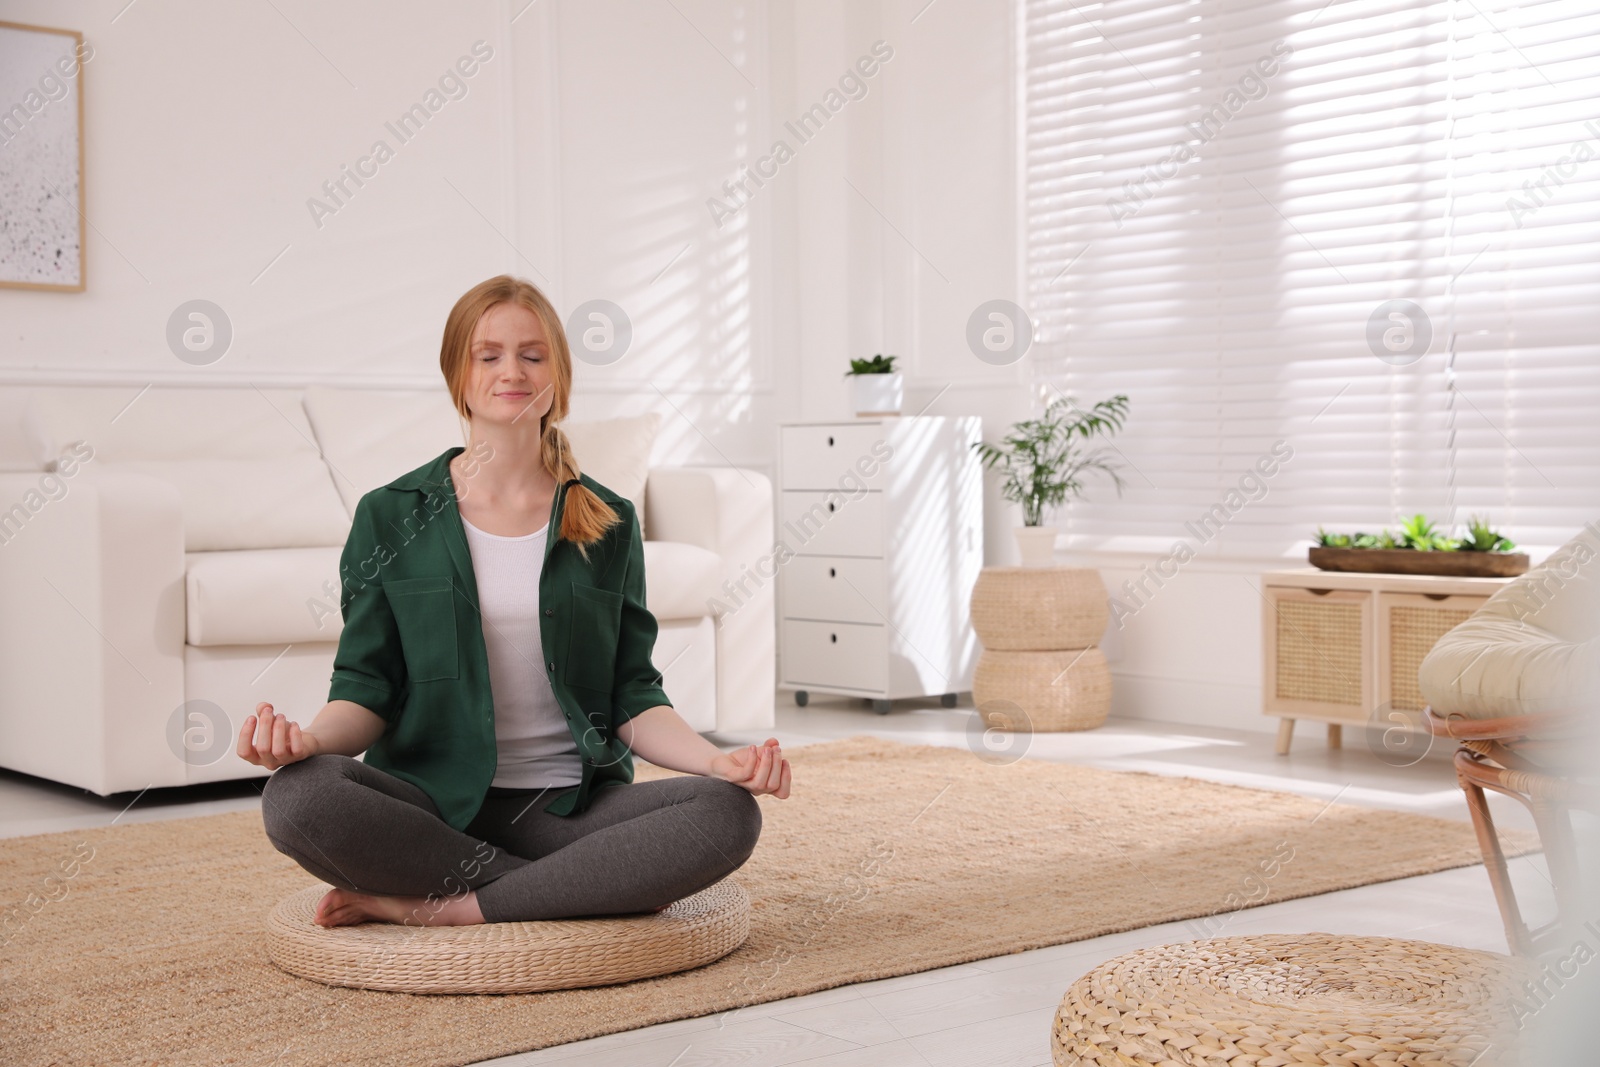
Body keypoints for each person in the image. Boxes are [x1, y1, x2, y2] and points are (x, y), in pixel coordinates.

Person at [238, 274, 790, 929]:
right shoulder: (389, 515)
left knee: (726, 813)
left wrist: (715, 760)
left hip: (569, 812)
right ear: (457, 373)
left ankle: (461, 906)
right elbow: (366, 687)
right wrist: (307, 739)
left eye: (533, 354)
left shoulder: (608, 518)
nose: (513, 371)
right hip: (432, 809)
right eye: (489, 354)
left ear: (558, 374)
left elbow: (632, 692)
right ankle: (586, 888)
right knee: (298, 797)